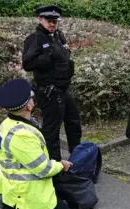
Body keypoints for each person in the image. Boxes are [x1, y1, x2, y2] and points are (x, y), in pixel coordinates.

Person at [0, 79, 73, 209]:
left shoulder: (8, 124)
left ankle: (8, 207)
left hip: (13, 186)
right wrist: (61, 165)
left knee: (63, 199)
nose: (33, 99)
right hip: (25, 191)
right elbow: (42, 169)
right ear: (29, 106)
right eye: (31, 98)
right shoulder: (22, 135)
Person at [22, 5, 82, 161]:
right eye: (49, 21)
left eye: (55, 21)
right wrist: (50, 56)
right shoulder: (35, 39)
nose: (53, 24)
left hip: (62, 90)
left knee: (74, 122)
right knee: (52, 131)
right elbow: (27, 64)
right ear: (40, 19)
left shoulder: (58, 36)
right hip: (49, 92)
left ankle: (76, 158)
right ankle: (54, 167)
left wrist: (63, 52)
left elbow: (63, 57)